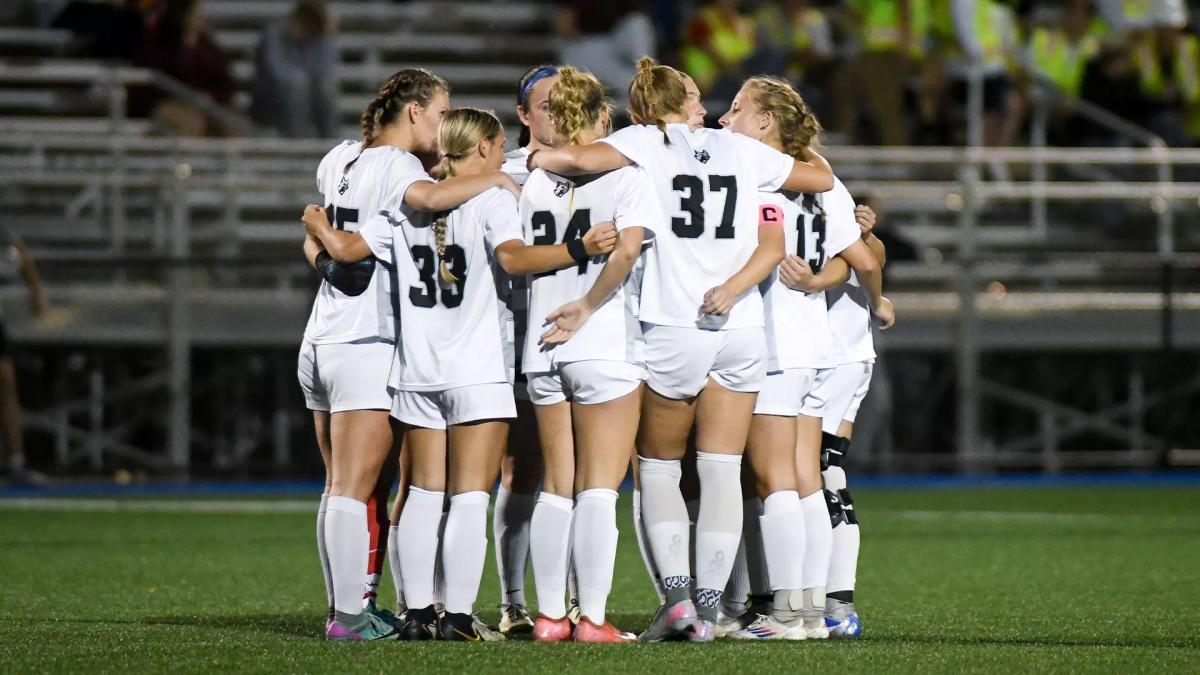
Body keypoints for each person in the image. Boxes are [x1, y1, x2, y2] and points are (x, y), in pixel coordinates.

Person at [528, 57, 835, 642]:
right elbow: (812, 183)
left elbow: (581, 158)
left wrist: (537, 157)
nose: (709, 110)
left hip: (673, 324)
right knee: (722, 468)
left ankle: (680, 604)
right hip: (740, 328)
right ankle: (715, 609)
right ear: (684, 100)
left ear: (640, 109)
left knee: (659, 466)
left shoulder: (644, 140)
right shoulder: (743, 153)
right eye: (697, 98)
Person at [297, 67, 520, 642]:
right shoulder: (400, 168)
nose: (445, 127)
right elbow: (432, 196)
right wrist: (498, 180)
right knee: (356, 487)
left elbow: (328, 244)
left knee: (341, 486)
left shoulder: (339, 157)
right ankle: (350, 616)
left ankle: (349, 607)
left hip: (322, 335)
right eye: (442, 113)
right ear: (416, 111)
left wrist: (322, 254)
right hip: (367, 340)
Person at [717, 75, 894, 641]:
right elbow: (863, 256)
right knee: (807, 478)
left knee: (776, 482)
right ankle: (814, 609)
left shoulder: (758, 174)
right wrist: (850, 291)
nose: (726, 119)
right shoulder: (827, 183)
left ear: (766, 120)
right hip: (815, 343)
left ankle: (783, 614)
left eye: (738, 109)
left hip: (775, 340)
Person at [521, 66, 658, 644]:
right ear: (603, 115)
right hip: (600, 341)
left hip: (539, 344)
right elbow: (627, 253)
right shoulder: (630, 176)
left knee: (557, 484)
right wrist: (587, 305)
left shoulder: (531, 178)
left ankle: (550, 616)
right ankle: (592, 620)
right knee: (600, 487)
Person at [493, 64, 561, 637]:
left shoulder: (608, 167)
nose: (557, 114)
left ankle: (568, 605)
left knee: (579, 474)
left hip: (590, 339)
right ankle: (512, 600)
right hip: (513, 334)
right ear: (523, 115)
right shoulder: (501, 173)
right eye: (545, 105)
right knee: (521, 468)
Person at [0, 236, 64, 486]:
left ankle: (17, 462)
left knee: (5, 380)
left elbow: (17, 251)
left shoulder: (4, 236)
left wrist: (36, 290)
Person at [132, 0, 234, 136]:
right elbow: (151, 85)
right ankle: (186, 157)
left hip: (206, 105)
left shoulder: (208, 48)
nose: (197, 16)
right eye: (190, 11)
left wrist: (209, 98)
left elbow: (224, 84)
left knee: (230, 123)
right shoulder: (159, 43)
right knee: (189, 122)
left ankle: (240, 156)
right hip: (169, 104)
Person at [250, 0, 340, 138]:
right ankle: (298, 139)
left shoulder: (317, 38)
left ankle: (331, 141)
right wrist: (302, 79)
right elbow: (276, 70)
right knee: (297, 85)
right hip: (271, 96)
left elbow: (324, 70)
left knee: (325, 88)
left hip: (309, 97)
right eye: (302, 22)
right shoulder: (274, 33)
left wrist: (328, 36)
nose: (303, 29)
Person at [554, 1, 657, 99]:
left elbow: (636, 11)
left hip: (616, 38)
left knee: (638, 22)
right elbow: (564, 24)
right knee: (573, 58)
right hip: (586, 44)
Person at [681, 0, 757, 102]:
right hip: (708, 87)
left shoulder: (746, 24)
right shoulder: (702, 21)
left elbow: (754, 55)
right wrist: (748, 81)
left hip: (737, 85)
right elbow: (719, 59)